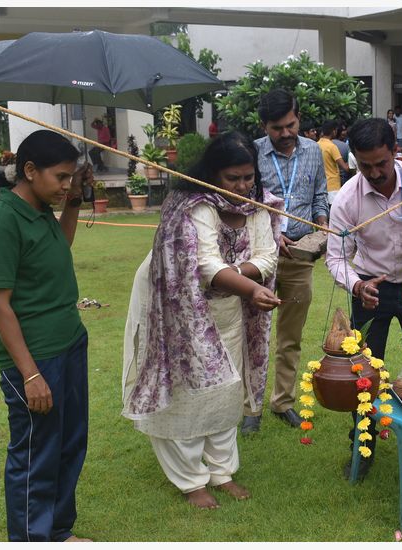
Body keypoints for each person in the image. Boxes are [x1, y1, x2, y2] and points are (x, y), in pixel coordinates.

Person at [122, 132, 281, 510]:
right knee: (187, 390)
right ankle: (191, 479)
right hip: (176, 308)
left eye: (248, 177)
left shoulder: (257, 205)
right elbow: (203, 264)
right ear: (213, 176)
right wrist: (248, 285)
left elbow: (268, 256)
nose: (243, 186)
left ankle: (222, 472)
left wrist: (238, 279)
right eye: (233, 178)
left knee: (226, 385)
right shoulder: (193, 206)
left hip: (230, 306)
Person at [0, 130, 95, 541]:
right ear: (29, 171)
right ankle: (31, 540)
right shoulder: (2, 221)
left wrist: (74, 200)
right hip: (35, 358)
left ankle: (58, 532)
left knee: (69, 444)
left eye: (71, 177)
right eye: (61, 177)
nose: (66, 185)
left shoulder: (41, 209)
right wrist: (29, 374)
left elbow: (59, 247)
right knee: (35, 454)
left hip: (69, 343)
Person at [326, 117, 402, 480]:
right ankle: (362, 441)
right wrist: (356, 286)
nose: (375, 172)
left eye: (381, 163)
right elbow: (336, 256)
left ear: (395, 152)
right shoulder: (348, 199)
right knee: (361, 371)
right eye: (365, 166)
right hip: (370, 288)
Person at [253, 89, 329, 433]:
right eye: (276, 128)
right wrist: (270, 230)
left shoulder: (313, 151)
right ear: (263, 126)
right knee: (252, 333)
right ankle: (249, 408)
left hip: (300, 256)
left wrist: (323, 222)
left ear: (298, 118)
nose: (285, 133)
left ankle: (282, 402)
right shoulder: (252, 154)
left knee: (290, 336)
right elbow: (245, 203)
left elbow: (319, 196)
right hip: (260, 257)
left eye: (291, 125)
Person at [318, 120, 351, 204]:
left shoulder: (316, 144)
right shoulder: (332, 146)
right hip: (333, 187)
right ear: (334, 131)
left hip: (320, 186)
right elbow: (345, 168)